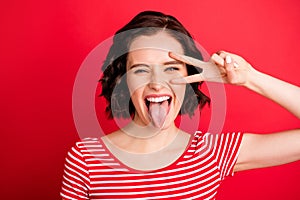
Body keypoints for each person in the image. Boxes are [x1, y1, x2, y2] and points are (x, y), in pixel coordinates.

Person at [60, 11, 300, 199]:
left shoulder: (212, 153)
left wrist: (250, 78)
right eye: (141, 70)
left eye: (171, 68)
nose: (156, 83)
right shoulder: (86, 159)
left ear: (190, 78)